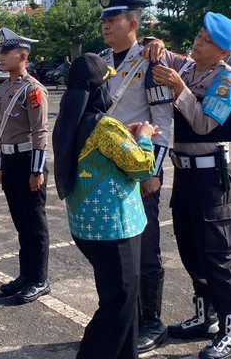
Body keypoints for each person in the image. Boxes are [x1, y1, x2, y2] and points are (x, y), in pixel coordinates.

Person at [151, 12, 231, 359]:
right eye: (199, 35)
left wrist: (180, 90)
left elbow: (206, 123)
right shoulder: (190, 68)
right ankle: (205, 317)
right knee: (191, 248)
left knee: (218, 255)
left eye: (207, 40)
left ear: (222, 52)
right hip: (185, 174)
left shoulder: (225, 80)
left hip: (211, 177)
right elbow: (163, 55)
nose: (198, 41)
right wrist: (157, 45)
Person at [53, 53, 159, 359]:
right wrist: (144, 137)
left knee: (120, 300)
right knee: (119, 305)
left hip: (88, 228)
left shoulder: (70, 121)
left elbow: (102, 150)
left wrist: (126, 133)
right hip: (115, 229)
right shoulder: (104, 127)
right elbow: (142, 167)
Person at [97, 0, 173, 352]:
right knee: (116, 245)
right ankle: (124, 315)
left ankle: (153, 321)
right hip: (108, 169)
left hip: (139, 166)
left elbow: (162, 122)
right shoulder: (99, 61)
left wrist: (152, 172)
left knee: (146, 245)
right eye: (103, 21)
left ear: (133, 24)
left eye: (113, 20)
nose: (105, 26)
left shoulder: (149, 63)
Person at [0, 27, 51, 304]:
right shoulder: (4, 87)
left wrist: (37, 170)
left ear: (23, 55)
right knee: (21, 223)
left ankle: (39, 278)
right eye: (2, 51)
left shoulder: (33, 90)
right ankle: (25, 275)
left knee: (35, 224)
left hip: (29, 160)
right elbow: (0, 130)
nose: (2, 56)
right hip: (10, 160)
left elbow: (40, 131)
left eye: (7, 52)